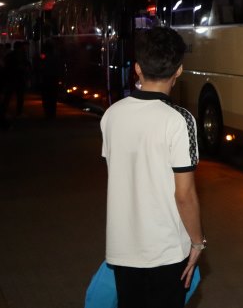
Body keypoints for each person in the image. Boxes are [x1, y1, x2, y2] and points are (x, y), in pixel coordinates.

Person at [100, 26, 205, 308]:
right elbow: (184, 194)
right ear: (179, 70)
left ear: (137, 68)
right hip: (166, 251)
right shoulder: (180, 120)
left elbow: (122, 176)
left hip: (122, 249)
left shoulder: (111, 115)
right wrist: (197, 243)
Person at [0, 41, 29, 124]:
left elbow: (6, 66)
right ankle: (18, 112)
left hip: (11, 78)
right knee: (19, 96)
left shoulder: (10, 55)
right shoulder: (19, 55)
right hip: (17, 78)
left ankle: (4, 111)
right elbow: (23, 65)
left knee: (8, 96)